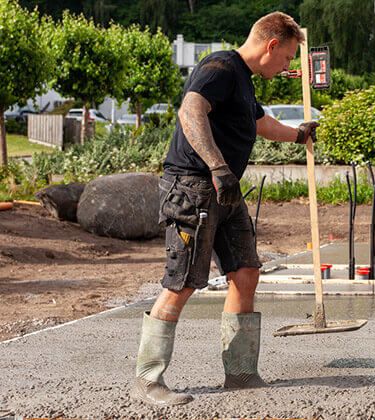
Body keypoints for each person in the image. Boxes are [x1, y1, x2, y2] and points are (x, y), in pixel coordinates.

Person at [131, 12, 319, 407]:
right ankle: (148, 380)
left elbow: (260, 124)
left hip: (223, 190)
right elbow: (190, 111)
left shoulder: (243, 81)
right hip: (194, 187)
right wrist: (218, 166)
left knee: (246, 272)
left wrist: (298, 134)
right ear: (270, 46)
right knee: (182, 281)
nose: (287, 66)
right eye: (286, 58)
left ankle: (241, 372)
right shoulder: (219, 67)